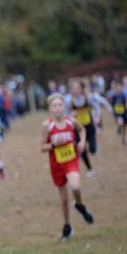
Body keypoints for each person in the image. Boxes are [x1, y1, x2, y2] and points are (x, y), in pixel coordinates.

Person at [40, 93, 95, 241]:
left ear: (64, 107)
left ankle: (79, 205)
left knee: (75, 186)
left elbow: (82, 129)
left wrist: (82, 142)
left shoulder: (71, 121)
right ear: (50, 109)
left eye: (60, 105)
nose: (57, 108)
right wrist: (52, 145)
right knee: (64, 199)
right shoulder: (47, 125)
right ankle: (67, 226)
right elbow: (42, 147)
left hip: (71, 160)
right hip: (56, 164)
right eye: (54, 106)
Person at [108, 80, 127, 146]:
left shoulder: (124, 95)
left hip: (124, 113)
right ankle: (118, 128)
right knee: (120, 121)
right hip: (117, 113)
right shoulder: (114, 96)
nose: (118, 89)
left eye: (119, 87)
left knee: (124, 127)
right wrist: (111, 110)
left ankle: (123, 138)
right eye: (117, 87)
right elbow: (111, 104)